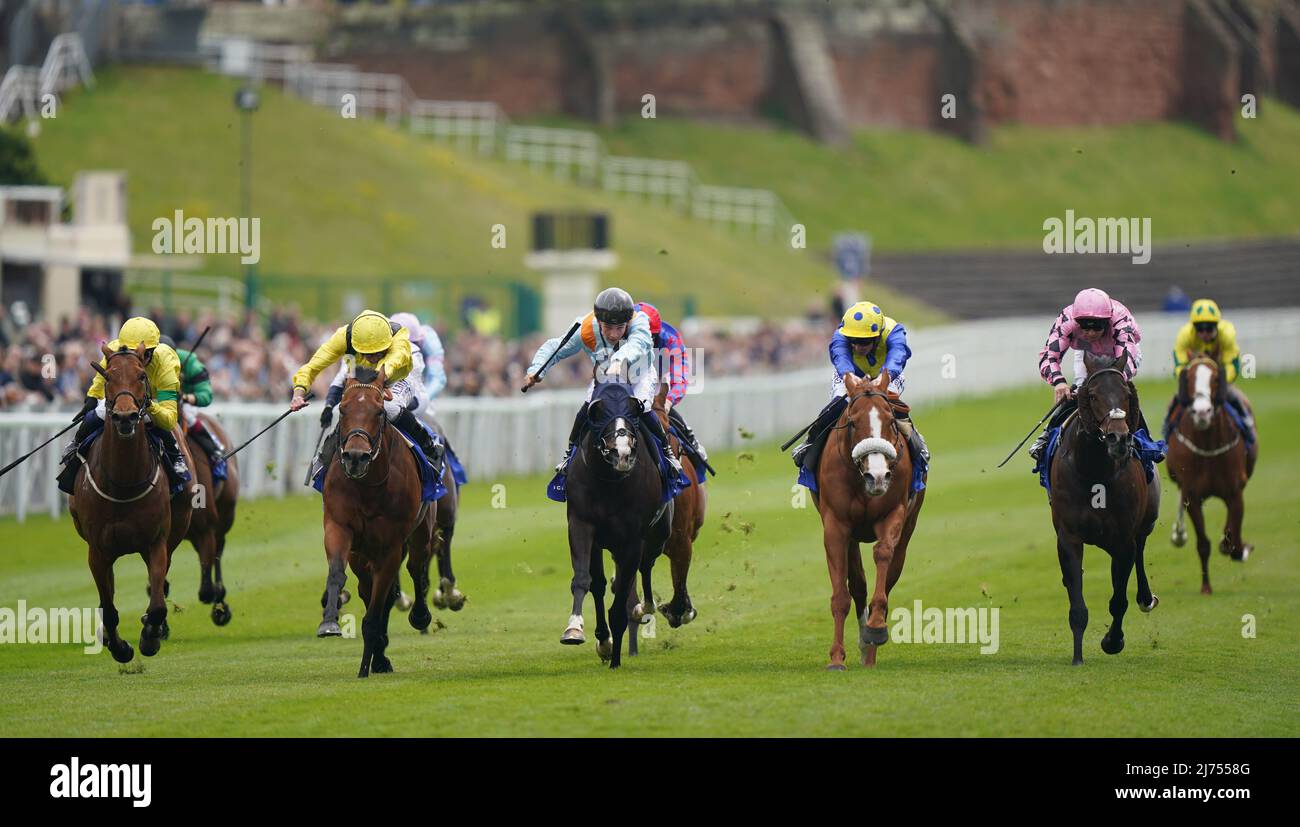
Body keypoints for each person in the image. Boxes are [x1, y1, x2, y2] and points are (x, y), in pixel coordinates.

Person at [523, 287, 682, 476]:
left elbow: (637, 344)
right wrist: (536, 370)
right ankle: (570, 454)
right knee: (589, 408)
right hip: (605, 378)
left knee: (644, 408)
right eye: (608, 327)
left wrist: (618, 360)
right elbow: (556, 347)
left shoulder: (639, 321)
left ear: (628, 321)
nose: (614, 334)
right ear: (598, 321)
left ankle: (667, 453)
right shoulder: (584, 327)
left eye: (620, 328)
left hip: (639, 376)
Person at [292, 309, 443, 472]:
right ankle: (327, 454)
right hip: (369, 375)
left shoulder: (399, 337)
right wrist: (298, 394)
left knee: (389, 407)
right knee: (351, 406)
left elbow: (394, 362)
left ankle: (429, 446)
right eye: (368, 353)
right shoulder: (343, 337)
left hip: (400, 374)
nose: (374, 356)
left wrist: (379, 384)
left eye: (379, 351)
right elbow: (312, 367)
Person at [56, 317, 190, 494]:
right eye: (129, 353)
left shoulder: (166, 362)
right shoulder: (117, 351)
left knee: (156, 423)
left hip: (154, 399)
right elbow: (102, 374)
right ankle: (76, 446)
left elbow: (169, 420)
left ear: (150, 352)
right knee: (96, 414)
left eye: (139, 355)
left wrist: (149, 404)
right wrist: (92, 397)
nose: (132, 359)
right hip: (123, 395)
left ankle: (176, 458)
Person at [791, 301, 928, 473]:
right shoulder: (841, 334)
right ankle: (810, 443)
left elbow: (899, 355)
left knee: (890, 405)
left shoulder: (894, 331)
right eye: (853, 341)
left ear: (877, 337)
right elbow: (839, 356)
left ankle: (917, 444)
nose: (856, 346)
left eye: (863, 342)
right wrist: (848, 375)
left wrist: (885, 377)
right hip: (851, 373)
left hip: (887, 374)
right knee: (836, 406)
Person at [1029, 287, 1144, 461]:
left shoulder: (1121, 320)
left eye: (1096, 327)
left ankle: (1145, 440)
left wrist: (1113, 382)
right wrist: (1059, 382)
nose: (1090, 333)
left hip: (1120, 354)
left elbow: (1127, 356)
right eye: (1084, 327)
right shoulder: (1067, 319)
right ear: (1077, 321)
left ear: (1107, 322)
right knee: (1078, 392)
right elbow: (1048, 355)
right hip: (1086, 352)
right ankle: (1047, 435)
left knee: (1119, 393)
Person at [1167, 298, 1256, 442]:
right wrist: (1190, 382)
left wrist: (1218, 381)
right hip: (1194, 378)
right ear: (1193, 327)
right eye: (1200, 328)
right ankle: (1168, 429)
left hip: (1217, 377)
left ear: (1217, 326)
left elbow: (1231, 366)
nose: (1204, 333)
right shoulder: (1184, 335)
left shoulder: (1227, 334)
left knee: (1234, 396)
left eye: (1209, 328)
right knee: (1178, 398)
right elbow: (1180, 367)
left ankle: (1246, 424)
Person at [634, 301, 708, 466]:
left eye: (650, 337)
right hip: (630, 383)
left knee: (664, 411)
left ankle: (690, 441)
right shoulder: (619, 332)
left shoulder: (671, 340)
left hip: (659, 385)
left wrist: (668, 401)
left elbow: (680, 378)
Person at [159, 334, 226, 470]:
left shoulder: (191, 364)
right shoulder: (148, 360)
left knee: (189, 417)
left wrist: (186, 397)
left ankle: (214, 450)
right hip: (158, 400)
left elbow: (206, 396)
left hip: (184, 403)